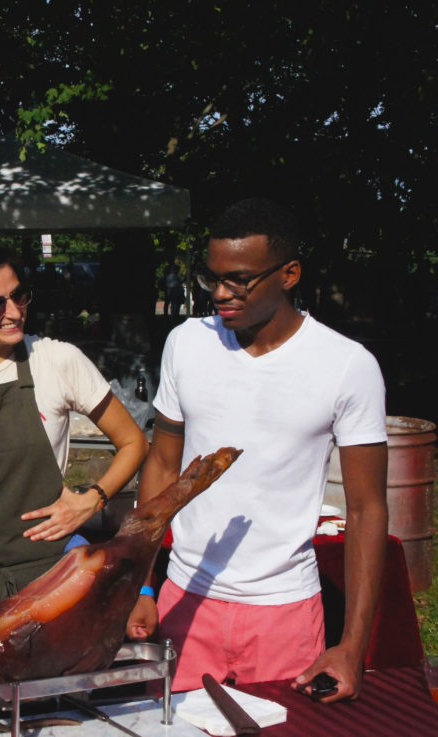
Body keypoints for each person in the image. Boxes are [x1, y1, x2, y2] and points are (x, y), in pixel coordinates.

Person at [126, 198, 388, 702]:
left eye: (239, 280)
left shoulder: (347, 365)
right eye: (211, 277)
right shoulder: (186, 343)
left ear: (289, 274)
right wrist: (142, 586)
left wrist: (353, 645)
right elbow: (161, 464)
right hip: (186, 602)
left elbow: (367, 508)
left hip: (285, 613)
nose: (221, 294)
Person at [0, 241, 149, 663]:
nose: (15, 312)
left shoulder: (57, 361)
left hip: (44, 581)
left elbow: (134, 443)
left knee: (43, 713)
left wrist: (92, 499)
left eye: (19, 295)